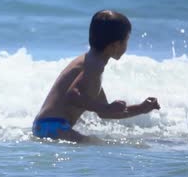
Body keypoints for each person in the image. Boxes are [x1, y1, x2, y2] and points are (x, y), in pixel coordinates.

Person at [32, 10, 160, 142]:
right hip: (55, 126)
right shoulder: (94, 66)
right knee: (98, 146)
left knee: (97, 145)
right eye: (126, 40)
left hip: (44, 125)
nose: (127, 45)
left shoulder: (89, 64)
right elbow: (73, 95)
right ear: (116, 45)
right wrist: (107, 107)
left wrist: (141, 108)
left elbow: (104, 113)